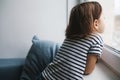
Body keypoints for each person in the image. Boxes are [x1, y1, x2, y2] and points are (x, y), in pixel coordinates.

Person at [39, 1, 104, 80]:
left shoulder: (70, 37)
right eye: (103, 17)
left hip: (45, 75)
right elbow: (87, 70)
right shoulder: (97, 38)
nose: (105, 19)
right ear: (96, 23)